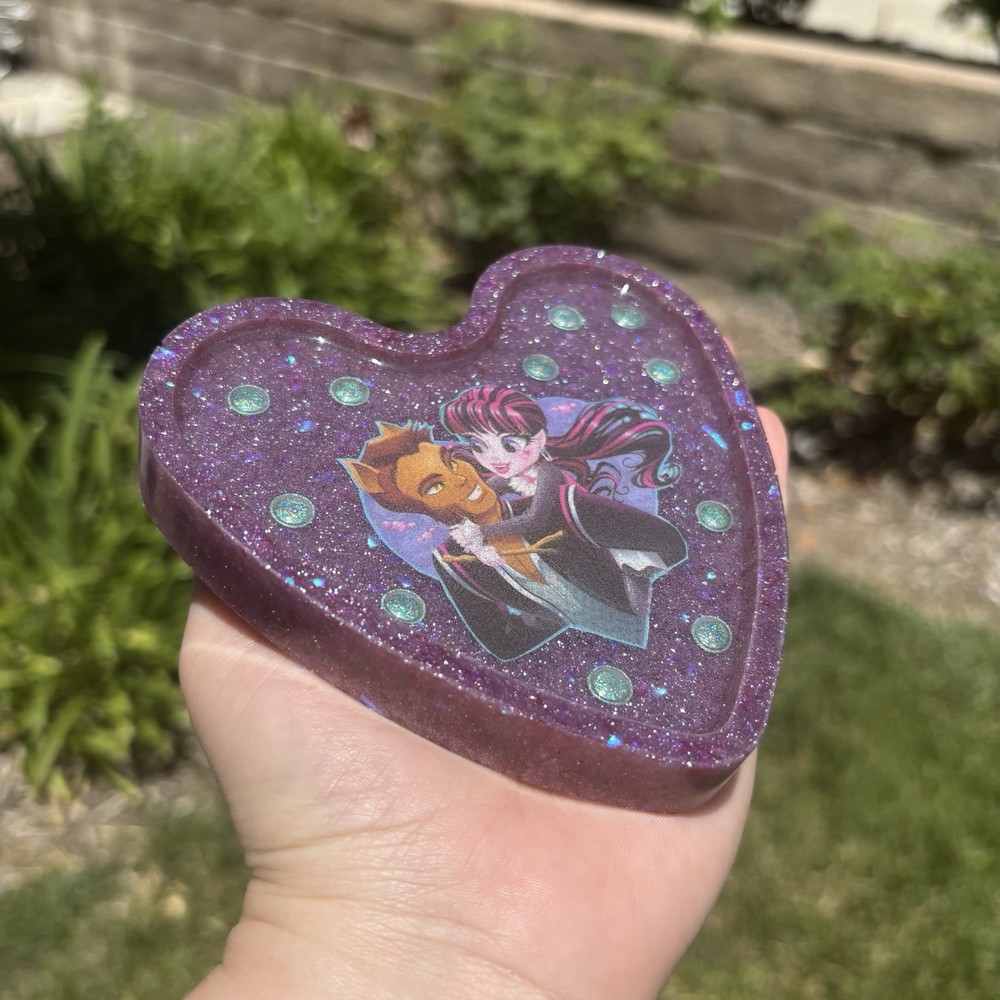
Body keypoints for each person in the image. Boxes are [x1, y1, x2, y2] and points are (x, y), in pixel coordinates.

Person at [180, 407, 788, 999]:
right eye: (435, 485)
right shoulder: (457, 562)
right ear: (416, 508)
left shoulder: (558, 497)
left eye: (452, 462)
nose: (464, 478)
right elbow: (502, 641)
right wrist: (521, 586)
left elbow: (665, 544)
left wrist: (620, 575)